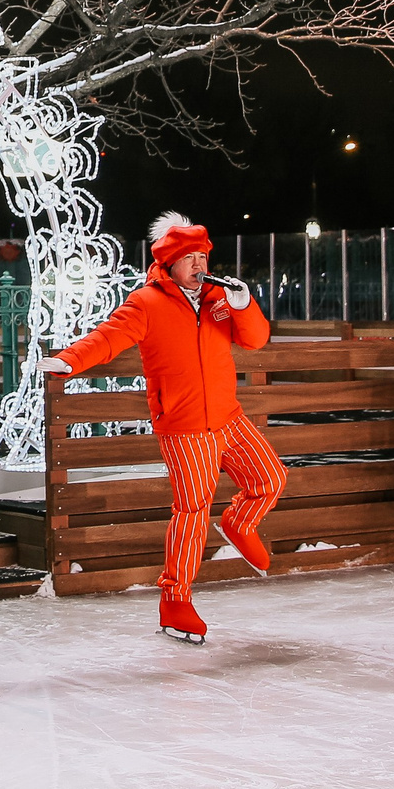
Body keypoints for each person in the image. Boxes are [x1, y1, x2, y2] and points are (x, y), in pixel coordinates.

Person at [44, 213, 279, 644]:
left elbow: (256, 340)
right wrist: (69, 361)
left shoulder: (218, 299)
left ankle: (239, 524)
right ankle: (175, 600)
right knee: (192, 511)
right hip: (184, 425)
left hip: (228, 415)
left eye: (202, 256)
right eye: (188, 258)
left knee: (270, 478)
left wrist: (246, 305)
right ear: (168, 263)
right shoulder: (146, 303)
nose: (198, 265)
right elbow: (108, 337)